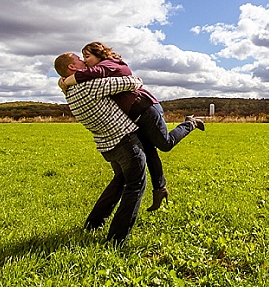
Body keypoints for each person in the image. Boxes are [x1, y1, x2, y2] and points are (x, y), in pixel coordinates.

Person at [59, 41, 204, 211]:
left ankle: (190, 123)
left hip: (145, 108)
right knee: (149, 150)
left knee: (165, 144)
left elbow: (103, 73)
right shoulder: (92, 74)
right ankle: (160, 189)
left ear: (99, 55)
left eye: (87, 57)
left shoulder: (108, 65)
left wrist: (68, 80)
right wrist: (65, 81)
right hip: (133, 115)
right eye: (82, 58)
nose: (85, 62)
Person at [54, 52, 146, 246]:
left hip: (107, 146)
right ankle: (116, 239)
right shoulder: (89, 86)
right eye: (80, 59)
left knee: (120, 181)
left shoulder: (69, 91)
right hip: (125, 141)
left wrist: (64, 81)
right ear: (72, 68)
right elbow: (132, 82)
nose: (84, 61)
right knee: (135, 186)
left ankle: (94, 223)